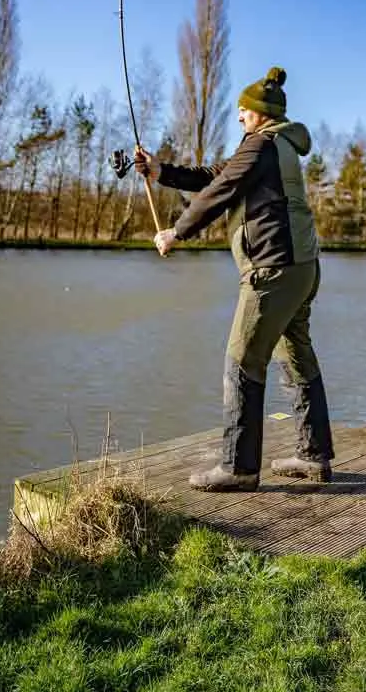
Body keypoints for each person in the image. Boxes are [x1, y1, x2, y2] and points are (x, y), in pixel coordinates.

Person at [134, 66, 335, 492]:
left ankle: (239, 469)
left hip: (273, 271)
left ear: (261, 112)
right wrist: (160, 172)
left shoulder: (261, 146)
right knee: (296, 356)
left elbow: (218, 193)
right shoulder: (275, 145)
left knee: (242, 361)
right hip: (301, 268)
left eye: (244, 109)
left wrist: (176, 232)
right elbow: (216, 176)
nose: (239, 115)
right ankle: (313, 456)